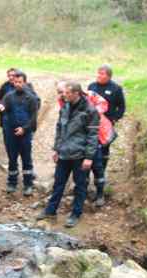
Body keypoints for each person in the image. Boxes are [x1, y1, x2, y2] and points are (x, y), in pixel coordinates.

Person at [37, 82, 100, 228]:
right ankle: (50, 211)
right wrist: (57, 149)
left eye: (66, 92)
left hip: (80, 155)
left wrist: (89, 157)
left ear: (76, 93)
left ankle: (75, 214)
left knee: (80, 185)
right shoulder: (64, 107)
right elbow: (59, 129)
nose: (63, 95)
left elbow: (93, 136)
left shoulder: (90, 111)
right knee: (58, 183)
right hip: (64, 153)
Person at [0, 71, 39, 196]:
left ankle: (28, 184)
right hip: (10, 132)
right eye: (15, 82)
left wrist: (24, 129)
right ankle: (12, 182)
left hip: (25, 133)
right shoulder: (9, 96)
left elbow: (33, 117)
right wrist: (2, 108)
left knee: (26, 159)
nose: (17, 84)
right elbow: (4, 106)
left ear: (25, 82)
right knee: (12, 158)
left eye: (20, 82)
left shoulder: (31, 98)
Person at [87, 64, 126, 171]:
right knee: (90, 145)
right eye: (98, 73)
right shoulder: (91, 86)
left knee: (104, 147)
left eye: (101, 74)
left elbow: (122, 107)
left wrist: (114, 119)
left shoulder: (116, 88)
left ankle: (101, 172)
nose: (98, 75)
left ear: (109, 76)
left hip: (106, 125)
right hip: (91, 123)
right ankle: (87, 171)